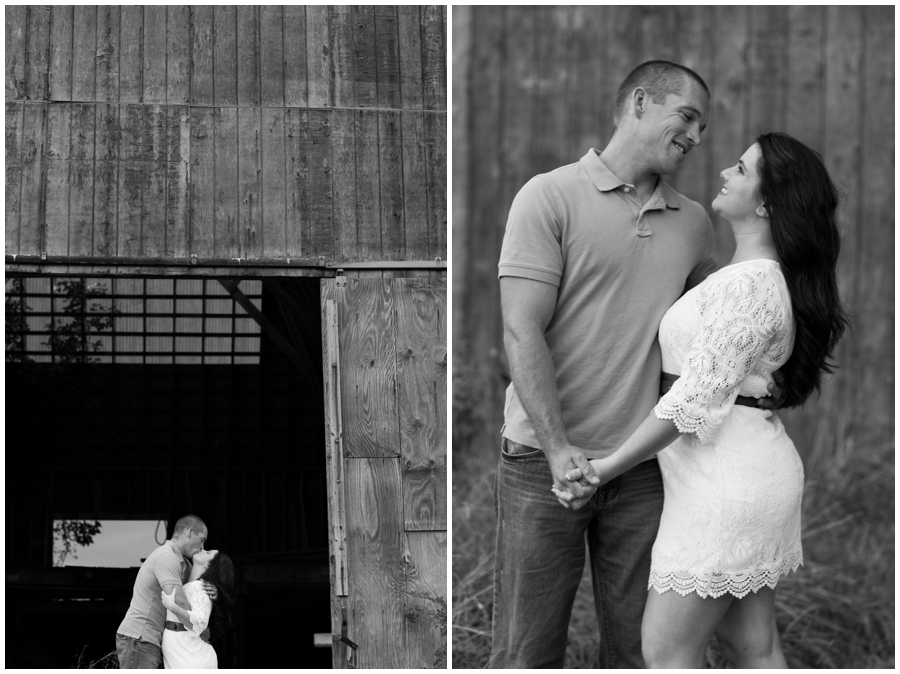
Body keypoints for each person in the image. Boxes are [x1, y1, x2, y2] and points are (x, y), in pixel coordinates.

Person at [492, 60, 781, 668]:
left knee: (637, 653)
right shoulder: (548, 196)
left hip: (645, 470)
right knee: (526, 652)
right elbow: (521, 330)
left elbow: (724, 328)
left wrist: (773, 374)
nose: (697, 137)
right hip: (540, 463)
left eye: (703, 125)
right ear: (641, 102)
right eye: (688, 116)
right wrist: (558, 449)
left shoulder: (696, 223)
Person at [556, 133, 848, 667]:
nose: (724, 173)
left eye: (741, 168)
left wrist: (606, 469)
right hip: (739, 472)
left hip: (723, 488)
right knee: (752, 646)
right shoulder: (751, 279)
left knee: (667, 653)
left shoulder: (748, 288)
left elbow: (694, 398)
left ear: (766, 202)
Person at [116, 515, 217, 669]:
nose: (202, 547)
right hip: (140, 636)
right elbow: (179, 601)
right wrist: (198, 627)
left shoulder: (184, 564)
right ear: (190, 533)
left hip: (154, 639)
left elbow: (196, 590)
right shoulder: (167, 557)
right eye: (202, 540)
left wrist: (214, 592)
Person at [161, 548, 235, 668]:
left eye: (208, 552)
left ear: (209, 565)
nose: (202, 549)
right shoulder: (192, 585)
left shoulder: (199, 587)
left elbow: (200, 622)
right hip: (187, 653)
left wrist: (172, 606)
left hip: (191, 657)